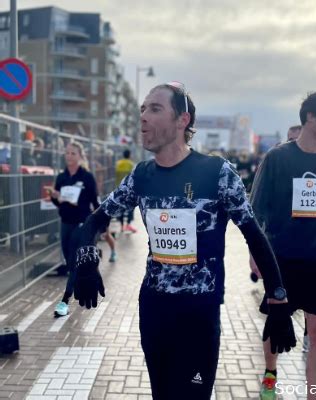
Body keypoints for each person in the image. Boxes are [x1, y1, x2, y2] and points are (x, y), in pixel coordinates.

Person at [71, 82, 296, 400]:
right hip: (155, 308)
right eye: (143, 109)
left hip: (198, 313)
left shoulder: (216, 172)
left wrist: (278, 300)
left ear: (183, 120)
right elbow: (94, 221)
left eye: (155, 108)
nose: (144, 117)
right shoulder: (142, 175)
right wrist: (85, 261)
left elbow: (254, 235)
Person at [250, 91, 316, 400]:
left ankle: (315, 396)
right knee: (277, 322)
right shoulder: (278, 158)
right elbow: (256, 210)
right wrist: (257, 255)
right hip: (281, 259)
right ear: (311, 117)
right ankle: (270, 373)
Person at [50, 142, 101, 316]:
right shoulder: (62, 177)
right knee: (70, 261)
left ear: (80, 156)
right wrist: (55, 197)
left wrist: (99, 225)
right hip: (65, 223)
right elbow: (58, 202)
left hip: (82, 224)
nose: (69, 156)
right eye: (67, 153)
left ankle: (64, 301)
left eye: (73, 153)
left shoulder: (87, 177)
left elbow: (95, 202)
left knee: (72, 261)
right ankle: (80, 281)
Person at [115, 149, 137, 233]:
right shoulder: (131, 164)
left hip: (119, 188)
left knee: (120, 207)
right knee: (130, 207)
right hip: (129, 190)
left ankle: (121, 226)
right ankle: (128, 225)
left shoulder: (118, 164)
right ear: (130, 155)